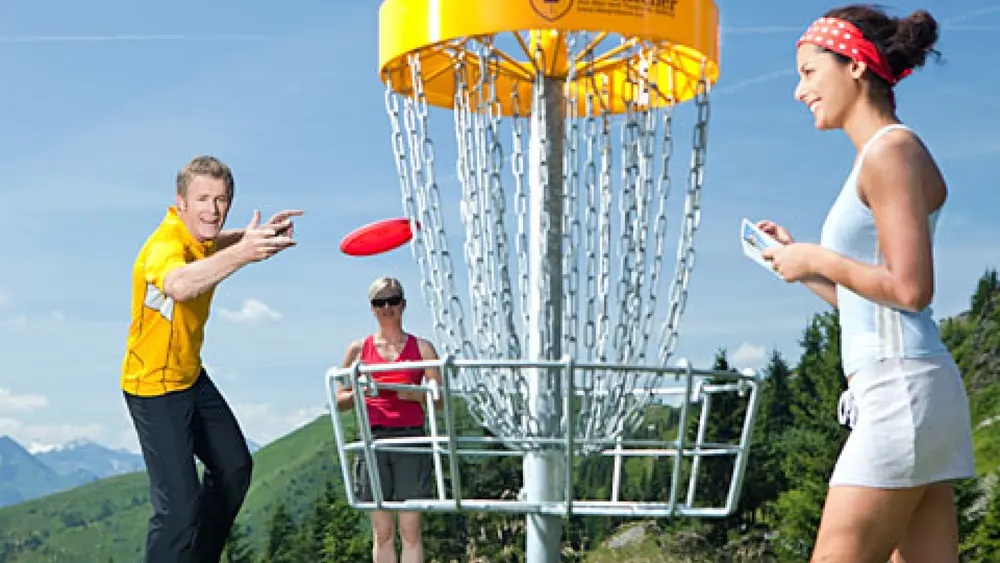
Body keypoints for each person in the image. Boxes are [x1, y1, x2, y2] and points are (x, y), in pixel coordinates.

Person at [758, 5, 976, 562]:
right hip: (911, 387)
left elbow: (910, 290)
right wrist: (802, 264)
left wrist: (820, 257)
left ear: (854, 65)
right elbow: (874, 303)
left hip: (899, 391)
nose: (798, 90)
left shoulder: (892, 151)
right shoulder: (881, 156)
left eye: (809, 71)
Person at [121, 155, 302, 563]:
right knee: (178, 510)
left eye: (221, 199)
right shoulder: (164, 245)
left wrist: (254, 237)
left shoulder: (195, 237)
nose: (213, 209)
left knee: (234, 468)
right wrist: (244, 254)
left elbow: (210, 244)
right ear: (179, 202)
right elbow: (180, 284)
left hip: (190, 377)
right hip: (153, 388)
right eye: (202, 199)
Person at [336, 276, 443, 563]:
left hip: (411, 437)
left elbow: (439, 399)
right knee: (381, 532)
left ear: (403, 304)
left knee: (410, 531)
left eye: (392, 300)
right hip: (373, 438)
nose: (387, 307)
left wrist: (410, 393)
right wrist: (361, 391)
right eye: (379, 302)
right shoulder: (358, 350)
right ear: (372, 308)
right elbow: (339, 399)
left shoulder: (422, 349)